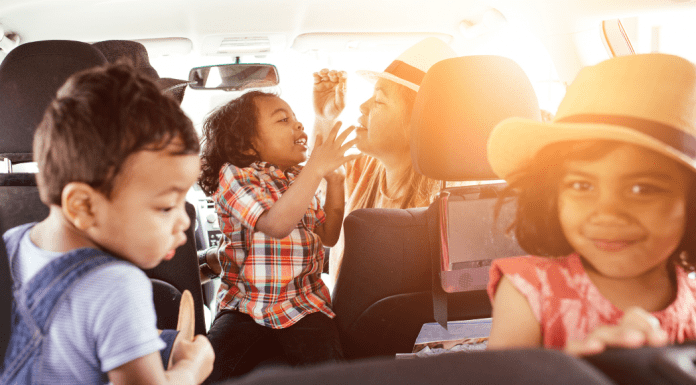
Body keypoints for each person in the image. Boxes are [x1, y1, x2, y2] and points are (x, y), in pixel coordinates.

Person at [1, 63, 214, 384]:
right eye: (167, 206)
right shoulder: (119, 285)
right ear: (83, 206)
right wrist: (192, 369)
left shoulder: (11, 244)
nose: (184, 222)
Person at [485, 53, 696, 356]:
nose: (607, 212)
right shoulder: (530, 291)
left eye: (642, 189)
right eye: (581, 185)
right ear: (552, 195)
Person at [198, 90, 359, 381]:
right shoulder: (236, 174)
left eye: (296, 118)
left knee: (333, 376)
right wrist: (316, 168)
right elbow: (275, 224)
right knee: (210, 373)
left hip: (304, 304)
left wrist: (336, 181)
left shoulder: (300, 179)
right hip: (243, 306)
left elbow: (330, 235)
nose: (298, 125)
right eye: (283, 119)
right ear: (248, 146)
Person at [312, 37, 457, 279]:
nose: (362, 106)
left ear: (417, 123)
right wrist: (324, 119)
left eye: (378, 100)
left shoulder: (442, 205)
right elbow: (318, 180)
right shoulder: (365, 168)